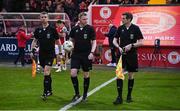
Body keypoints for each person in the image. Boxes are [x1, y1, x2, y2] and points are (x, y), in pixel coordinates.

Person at [113, 12, 144, 104]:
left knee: (131, 75)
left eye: (123, 18)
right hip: (121, 54)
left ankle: (129, 96)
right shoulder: (120, 28)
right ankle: (119, 97)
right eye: (122, 18)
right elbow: (114, 40)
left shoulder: (135, 28)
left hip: (132, 55)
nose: (122, 19)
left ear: (129, 19)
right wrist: (118, 46)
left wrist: (132, 45)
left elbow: (141, 42)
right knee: (119, 74)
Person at [30, 11, 60, 99]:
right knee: (47, 73)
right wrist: (32, 51)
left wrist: (60, 53)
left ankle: (45, 92)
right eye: (42, 17)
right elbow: (34, 41)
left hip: (50, 54)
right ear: (40, 18)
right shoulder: (38, 30)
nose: (43, 18)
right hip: (41, 54)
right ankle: (50, 90)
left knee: (46, 72)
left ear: (48, 18)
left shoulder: (52, 29)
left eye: (45, 17)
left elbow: (58, 41)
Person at [69, 12, 96, 102]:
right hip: (76, 54)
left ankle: (85, 94)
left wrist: (92, 52)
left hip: (86, 54)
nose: (86, 20)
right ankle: (77, 93)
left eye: (86, 19)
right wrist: (69, 46)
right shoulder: (74, 29)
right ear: (79, 19)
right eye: (84, 19)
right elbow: (71, 40)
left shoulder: (90, 29)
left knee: (86, 74)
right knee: (73, 73)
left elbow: (94, 42)